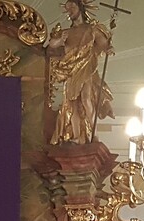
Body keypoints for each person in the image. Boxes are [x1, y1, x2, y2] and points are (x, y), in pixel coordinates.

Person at [48, 0, 114, 145]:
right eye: (67, 8)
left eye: (72, 6)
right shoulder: (66, 32)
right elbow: (51, 45)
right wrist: (59, 41)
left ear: (81, 7)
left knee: (85, 99)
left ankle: (94, 134)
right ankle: (77, 136)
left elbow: (103, 43)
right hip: (71, 70)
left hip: (86, 67)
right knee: (71, 103)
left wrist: (108, 48)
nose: (70, 10)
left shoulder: (92, 29)